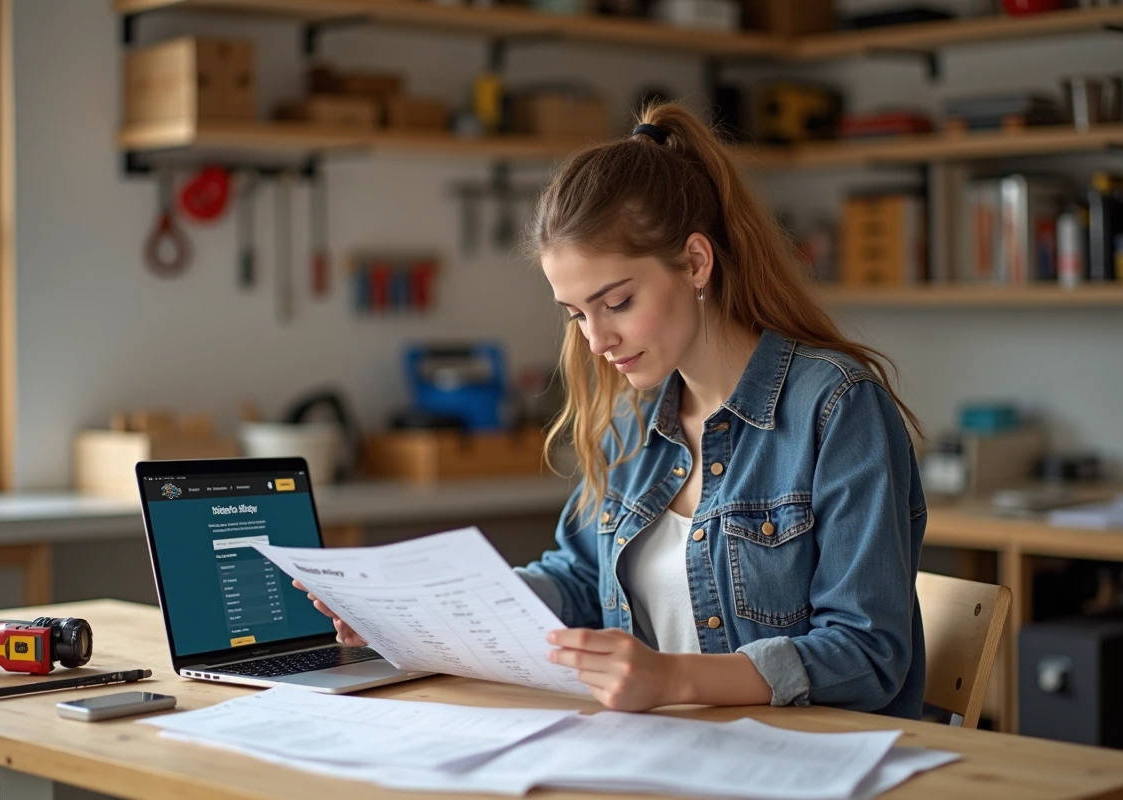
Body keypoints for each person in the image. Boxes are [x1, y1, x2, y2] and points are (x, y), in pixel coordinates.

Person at [299, 102, 927, 718]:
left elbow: (869, 656)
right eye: (576, 315)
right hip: (666, 758)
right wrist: (418, 612)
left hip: (807, 768)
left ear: (695, 261)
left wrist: (673, 678)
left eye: (617, 302)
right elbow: (578, 581)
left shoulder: (836, 408)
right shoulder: (632, 422)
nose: (596, 341)